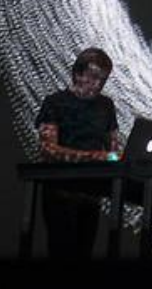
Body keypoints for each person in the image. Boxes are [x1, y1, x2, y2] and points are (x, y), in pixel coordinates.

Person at [34, 47, 123, 259]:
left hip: (90, 194)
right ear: (77, 74)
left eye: (103, 80)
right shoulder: (55, 103)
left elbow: (114, 148)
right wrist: (94, 158)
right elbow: (48, 150)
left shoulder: (106, 106)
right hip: (60, 192)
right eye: (93, 77)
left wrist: (115, 158)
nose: (97, 85)